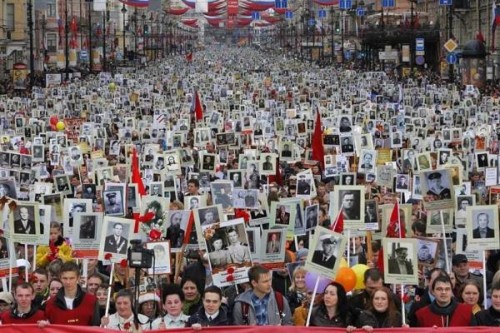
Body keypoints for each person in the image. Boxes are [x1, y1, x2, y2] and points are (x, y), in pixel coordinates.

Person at [43, 261, 100, 325]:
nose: (68, 282)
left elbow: (95, 326)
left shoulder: (91, 301)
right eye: (65, 278)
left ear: (78, 278)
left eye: (71, 278)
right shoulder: (50, 303)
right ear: (60, 278)